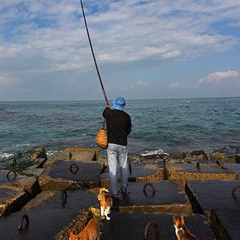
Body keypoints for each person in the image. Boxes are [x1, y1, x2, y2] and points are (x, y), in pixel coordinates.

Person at [102, 96, 132, 198]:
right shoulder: (127, 117)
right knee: (123, 167)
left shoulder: (109, 113)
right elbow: (128, 131)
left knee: (113, 169)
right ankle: (124, 187)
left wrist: (107, 107)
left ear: (115, 104)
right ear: (123, 106)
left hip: (111, 144)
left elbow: (104, 112)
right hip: (123, 144)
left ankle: (114, 192)